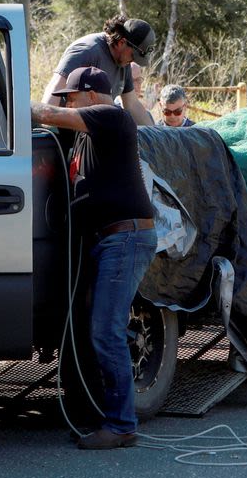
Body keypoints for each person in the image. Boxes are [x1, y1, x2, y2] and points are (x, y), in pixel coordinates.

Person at [30, 66, 157, 449]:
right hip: (110, 240)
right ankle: (109, 416)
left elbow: (47, 114)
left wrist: (9, 101)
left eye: (70, 97)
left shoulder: (110, 116)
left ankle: (121, 425)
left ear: (89, 96)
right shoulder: (87, 139)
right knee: (100, 329)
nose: (66, 102)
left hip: (125, 237)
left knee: (106, 330)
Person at [43, 15, 155, 127]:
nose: (132, 61)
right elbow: (54, 90)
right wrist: (46, 122)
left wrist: (156, 136)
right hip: (63, 129)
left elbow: (132, 104)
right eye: (133, 55)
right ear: (121, 42)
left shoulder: (124, 60)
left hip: (94, 131)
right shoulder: (86, 51)